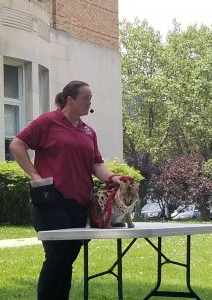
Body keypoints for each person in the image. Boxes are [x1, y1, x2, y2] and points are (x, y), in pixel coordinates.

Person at [9, 80, 125, 300]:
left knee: (69, 255)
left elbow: (96, 164)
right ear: (70, 99)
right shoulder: (47, 122)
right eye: (86, 98)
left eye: (90, 98)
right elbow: (17, 144)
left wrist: (114, 177)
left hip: (79, 201)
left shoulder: (89, 131)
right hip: (51, 199)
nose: (89, 102)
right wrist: (35, 175)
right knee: (57, 254)